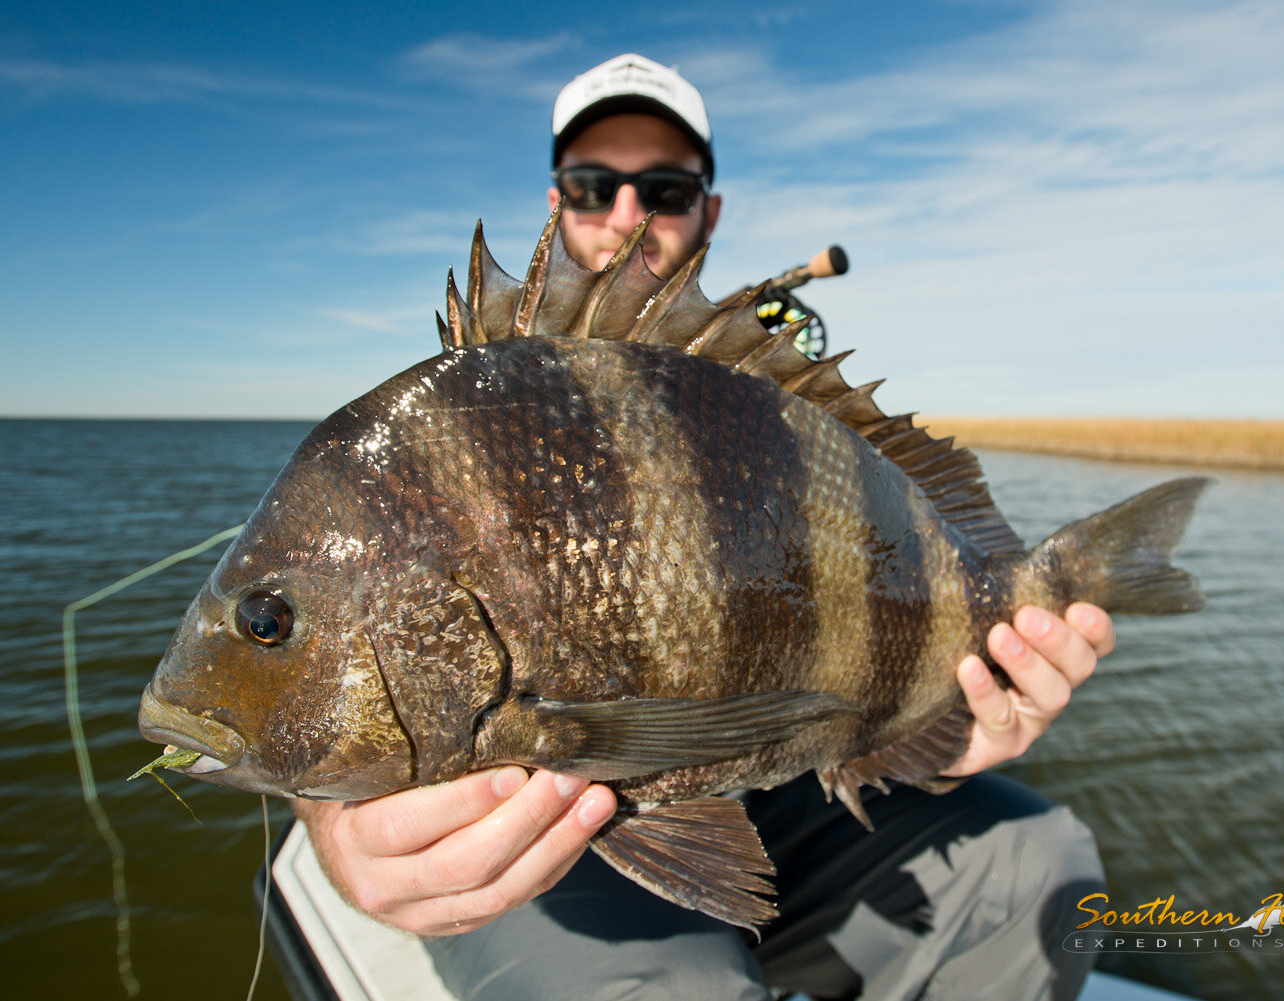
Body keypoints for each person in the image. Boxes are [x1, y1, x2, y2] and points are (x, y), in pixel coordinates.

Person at [295, 54, 1113, 1000]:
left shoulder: (779, 398)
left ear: (709, 211)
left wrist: (939, 715)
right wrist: (334, 813)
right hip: (534, 842)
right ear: (556, 199)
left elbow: (849, 616)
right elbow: (332, 629)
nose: (629, 212)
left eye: (668, 187)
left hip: (766, 785)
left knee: (1043, 865)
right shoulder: (445, 417)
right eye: (594, 183)